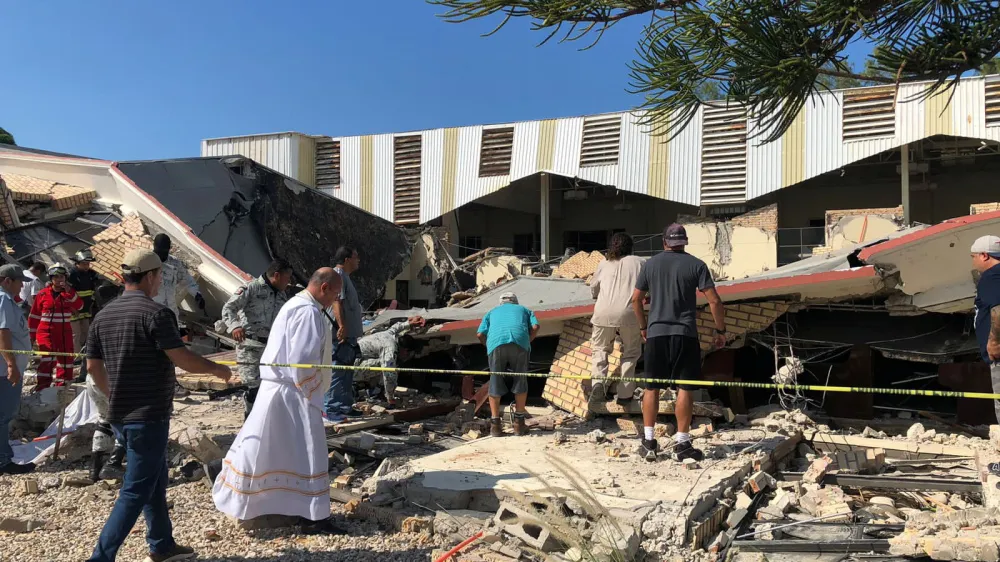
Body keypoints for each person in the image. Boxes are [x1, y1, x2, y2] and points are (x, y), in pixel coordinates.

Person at [85, 249, 231, 562]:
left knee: (155, 479)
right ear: (151, 276)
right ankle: (100, 557)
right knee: (135, 490)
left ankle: (162, 545)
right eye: (160, 276)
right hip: (148, 415)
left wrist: (114, 394)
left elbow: (92, 367)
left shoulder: (103, 316)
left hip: (120, 415)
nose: (160, 281)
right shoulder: (156, 314)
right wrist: (217, 369)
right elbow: (182, 359)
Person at [212, 268, 344, 535]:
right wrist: (315, 393)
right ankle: (312, 515)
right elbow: (302, 360)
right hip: (294, 393)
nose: (335, 300)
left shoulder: (295, 304)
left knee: (269, 448)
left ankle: (267, 502)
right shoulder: (307, 312)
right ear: (324, 288)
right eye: (336, 294)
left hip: (279, 389)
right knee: (307, 453)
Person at [632, 224, 726, 463]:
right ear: (684, 242)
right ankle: (682, 444)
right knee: (685, 388)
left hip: (656, 334)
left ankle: (649, 443)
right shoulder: (697, 265)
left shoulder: (650, 265)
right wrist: (720, 330)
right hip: (685, 334)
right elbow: (714, 301)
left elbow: (636, 300)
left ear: (664, 241)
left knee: (651, 387)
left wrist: (643, 326)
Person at [218, 259, 293, 418]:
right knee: (253, 390)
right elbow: (229, 308)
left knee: (269, 388)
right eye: (287, 278)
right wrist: (235, 326)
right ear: (277, 276)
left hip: (271, 349)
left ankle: (265, 423)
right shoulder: (251, 288)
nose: (288, 282)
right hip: (250, 347)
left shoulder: (282, 295)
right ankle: (250, 422)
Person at [589, 232, 644, 402]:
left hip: (603, 312)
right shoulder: (640, 262)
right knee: (631, 353)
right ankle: (625, 394)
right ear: (630, 247)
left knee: (600, 349)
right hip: (629, 313)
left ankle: (598, 383)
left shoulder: (604, 263)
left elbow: (594, 289)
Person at [477, 292, 539, 437]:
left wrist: (489, 346)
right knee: (520, 380)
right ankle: (519, 425)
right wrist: (528, 340)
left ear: (501, 303)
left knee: (495, 382)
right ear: (515, 302)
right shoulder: (525, 310)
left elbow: (479, 334)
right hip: (520, 343)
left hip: (495, 344)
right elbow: (535, 326)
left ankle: (495, 427)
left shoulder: (491, 312)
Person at [0, 264, 34, 475]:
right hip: (4, 370)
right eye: (19, 281)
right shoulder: (3, 299)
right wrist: (11, 364)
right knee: (3, 415)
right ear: (7, 281)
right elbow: (2, 332)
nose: (22, 286)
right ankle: (3, 460)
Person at [324, 246, 364, 420]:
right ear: (347, 259)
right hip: (341, 335)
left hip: (349, 335)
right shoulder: (338, 275)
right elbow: (336, 302)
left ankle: (345, 406)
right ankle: (331, 408)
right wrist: (341, 326)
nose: (358, 260)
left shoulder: (345, 277)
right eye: (356, 257)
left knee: (347, 372)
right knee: (338, 371)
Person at [29, 263, 83, 390]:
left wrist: (70, 292)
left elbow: (80, 306)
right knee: (48, 358)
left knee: (66, 359)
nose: (59, 279)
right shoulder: (42, 294)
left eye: (62, 277)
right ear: (51, 278)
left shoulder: (69, 294)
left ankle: (62, 387)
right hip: (46, 332)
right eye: (56, 277)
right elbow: (34, 316)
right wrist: (31, 336)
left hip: (64, 333)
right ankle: (42, 388)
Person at [355, 315, 426, 407]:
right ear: (405, 350)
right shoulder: (390, 349)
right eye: (407, 354)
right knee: (391, 367)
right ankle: (375, 393)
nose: (406, 356)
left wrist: (410, 323)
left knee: (387, 365)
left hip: (356, 359)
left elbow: (397, 326)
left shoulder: (390, 334)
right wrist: (390, 397)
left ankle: (374, 390)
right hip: (353, 369)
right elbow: (389, 375)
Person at [972, 235, 1000, 423]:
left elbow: (998, 309)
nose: (973, 262)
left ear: (984, 255)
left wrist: (994, 341)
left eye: (973, 256)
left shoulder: (992, 277)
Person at [151, 234, 205, 320]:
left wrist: (197, 295)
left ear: (169, 249)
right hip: (153, 310)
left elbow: (187, 279)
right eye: (159, 251)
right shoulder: (147, 263)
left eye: (164, 252)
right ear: (154, 247)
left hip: (171, 310)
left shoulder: (175, 263)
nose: (161, 255)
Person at [69, 249, 101, 354]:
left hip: (86, 310)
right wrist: (72, 308)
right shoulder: (71, 275)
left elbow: (92, 292)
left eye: (88, 264)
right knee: (75, 335)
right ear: (77, 263)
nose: (87, 266)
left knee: (86, 334)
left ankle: (85, 356)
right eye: (84, 264)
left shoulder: (91, 274)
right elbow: (66, 294)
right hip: (73, 311)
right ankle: (76, 358)